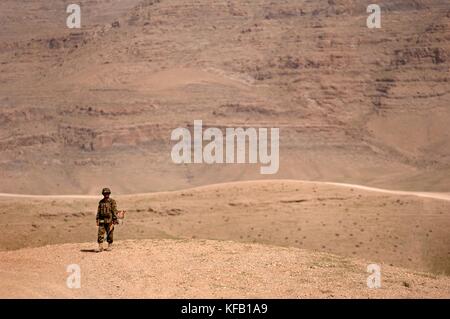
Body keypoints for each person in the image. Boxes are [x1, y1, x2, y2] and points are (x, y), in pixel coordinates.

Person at [96, 187, 119, 252]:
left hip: (110, 220)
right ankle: (100, 247)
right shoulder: (101, 202)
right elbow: (99, 211)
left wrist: (115, 219)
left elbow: (114, 210)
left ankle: (110, 246)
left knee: (110, 233)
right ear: (103, 194)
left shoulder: (112, 201)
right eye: (105, 193)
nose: (106, 194)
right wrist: (97, 218)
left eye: (107, 193)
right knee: (100, 233)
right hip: (102, 220)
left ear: (109, 194)